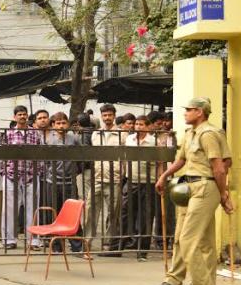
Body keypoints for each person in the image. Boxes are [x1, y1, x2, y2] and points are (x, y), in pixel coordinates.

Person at [152, 97, 233, 285]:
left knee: (188, 238)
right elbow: (181, 160)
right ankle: (187, 282)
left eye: (189, 109)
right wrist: (164, 176)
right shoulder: (189, 133)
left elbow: (220, 167)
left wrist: (223, 194)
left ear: (200, 112)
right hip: (190, 186)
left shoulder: (209, 134)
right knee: (196, 239)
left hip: (206, 186)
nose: (185, 113)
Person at [0, 105, 42, 250]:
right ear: (14, 117)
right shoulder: (9, 133)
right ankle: (9, 240)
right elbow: (2, 154)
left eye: (24, 114)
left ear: (27, 116)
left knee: (33, 208)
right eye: (19, 114)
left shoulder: (35, 133)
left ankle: (33, 241)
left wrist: (39, 170)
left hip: (31, 174)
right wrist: (3, 171)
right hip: (12, 174)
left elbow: (41, 152)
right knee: (9, 209)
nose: (22, 117)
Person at [120, 115, 158, 261]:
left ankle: (142, 251)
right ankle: (119, 246)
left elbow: (160, 162)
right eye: (136, 124)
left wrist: (160, 179)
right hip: (131, 180)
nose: (138, 127)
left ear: (148, 127)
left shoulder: (153, 141)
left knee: (145, 217)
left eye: (142, 124)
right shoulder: (130, 139)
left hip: (149, 182)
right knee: (125, 213)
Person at [44, 112, 83, 253]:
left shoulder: (74, 139)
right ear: (53, 125)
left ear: (68, 124)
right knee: (54, 213)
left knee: (72, 215)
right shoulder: (49, 140)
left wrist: (75, 171)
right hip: (53, 182)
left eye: (63, 123)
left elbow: (81, 158)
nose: (61, 126)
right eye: (58, 123)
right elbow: (46, 161)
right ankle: (56, 246)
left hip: (69, 182)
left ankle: (77, 246)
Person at [88, 104, 124, 253]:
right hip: (97, 177)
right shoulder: (96, 134)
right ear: (101, 116)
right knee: (90, 210)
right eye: (105, 115)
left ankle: (109, 243)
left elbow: (125, 157)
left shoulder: (122, 134)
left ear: (114, 116)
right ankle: (87, 241)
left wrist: (122, 174)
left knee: (113, 213)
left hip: (114, 178)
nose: (107, 118)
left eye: (110, 115)